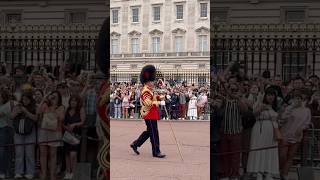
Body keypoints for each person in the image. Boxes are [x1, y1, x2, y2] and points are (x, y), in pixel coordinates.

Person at [130, 65, 166, 158]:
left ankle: (135, 144)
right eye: (152, 81)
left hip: (152, 114)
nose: (153, 82)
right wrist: (159, 102)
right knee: (154, 133)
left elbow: (153, 98)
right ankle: (156, 152)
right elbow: (148, 103)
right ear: (148, 81)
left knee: (150, 132)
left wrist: (161, 97)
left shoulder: (149, 90)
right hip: (149, 113)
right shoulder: (145, 91)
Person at [247, 88, 281, 180]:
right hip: (259, 128)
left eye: (272, 95)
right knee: (259, 148)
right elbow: (254, 113)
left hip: (272, 130)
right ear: (265, 96)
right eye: (269, 95)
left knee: (270, 150)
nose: (271, 97)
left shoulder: (275, 106)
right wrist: (262, 107)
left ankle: (269, 171)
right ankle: (258, 171)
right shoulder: (260, 103)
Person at [279, 90, 311, 180]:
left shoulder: (306, 110)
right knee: (283, 155)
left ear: (302, 99)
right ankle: (280, 170)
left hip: (296, 137)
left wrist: (302, 128)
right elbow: (283, 117)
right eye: (296, 98)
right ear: (292, 99)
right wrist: (291, 107)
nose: (298, 100)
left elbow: (307, 122)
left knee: (291, 156)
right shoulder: (289, 108)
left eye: (299, 98)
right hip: (285, 134)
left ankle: (285, 173)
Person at [38, 91, 65, 180]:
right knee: (43, 154)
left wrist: (53, 107)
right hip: (44, 132)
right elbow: (38, 111)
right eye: (52, 96)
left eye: (55, 97)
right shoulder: (45, 105)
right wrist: (44, 98)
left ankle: (52, 175)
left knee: (53, 155)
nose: (53, 98)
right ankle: (44, 174)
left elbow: (61, 118)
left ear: (59, 98)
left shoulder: (61, 107)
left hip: (55, 133)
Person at [12, 93, 38, 179]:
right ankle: (18, 172)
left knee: (29, 153)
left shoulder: (34, 107)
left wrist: (26, 111)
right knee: (19, 153)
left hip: (30, 131)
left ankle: (30, 172)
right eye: (23, 99)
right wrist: (17, 111)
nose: (25, 101)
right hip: (18, 132)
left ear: (30, 100)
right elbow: (11, 117)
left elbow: (35, 118)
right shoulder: (17, 106)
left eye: (27, 99)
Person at [63, 95, 85, 179]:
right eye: (72, 100)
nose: (73, 102)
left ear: (78, 102)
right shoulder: (67, 109)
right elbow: (63, 122)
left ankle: (73, 172)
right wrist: (66, 127)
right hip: (67, 133)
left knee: (73, 154)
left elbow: (82, 121)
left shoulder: (80, 109)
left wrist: (74, 125)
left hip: (76, 134)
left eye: (75, 101)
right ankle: (68, 172)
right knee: (67, 154)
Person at [0, 90, 13, 179]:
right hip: (2, 129)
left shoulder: (7, 105)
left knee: (3, 151)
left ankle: (3, 171)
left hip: (5, 129)